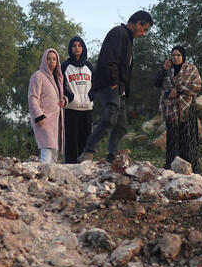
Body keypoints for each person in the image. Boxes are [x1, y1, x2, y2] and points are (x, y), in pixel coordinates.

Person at [77, 10, 153, 163]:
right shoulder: (118, 33)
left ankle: (113, 157)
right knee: (110, 116)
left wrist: (122, 88)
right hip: (108, 84)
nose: (144, 34)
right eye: (145, 30)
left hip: (120, 89)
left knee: (122, 125)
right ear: (138, 23)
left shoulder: (128, 38)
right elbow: (109, 59)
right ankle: (88, 151)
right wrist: (113, 83)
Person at [153, 45, 202, 172]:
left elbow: (196, 86)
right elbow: (157, 83)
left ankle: (190, 167)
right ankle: (172, 166)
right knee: (173, 138)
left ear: (183, 57)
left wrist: (178, 89)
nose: (175, 57)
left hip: (187, 108)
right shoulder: (168, 70)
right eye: (173, 55)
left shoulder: (190, 69)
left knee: (187, 137)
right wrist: (164, 68)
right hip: (171, 109)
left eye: (178, 55)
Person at [28, 48, 66, 163]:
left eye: (54, 59)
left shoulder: (58, 78)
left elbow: (60, 95)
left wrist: (64, 100)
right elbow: (32, 97)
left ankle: (50, 178)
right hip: (43, 119)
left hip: (56, 120)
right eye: (48, 59)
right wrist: (39, 115)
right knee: (46, 149)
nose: (51, 62)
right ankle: (43, 175)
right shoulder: (37, 76)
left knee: (54, 152)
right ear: (44, 60)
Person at [61, 36, 94, 164]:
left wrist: (90, 97)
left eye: (79, 45)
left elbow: (95, 84)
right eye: (74, 45)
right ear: (70, 48)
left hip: (87, 108)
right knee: (71, 139)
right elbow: (60, 85)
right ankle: (70, 165)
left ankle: (84, 165)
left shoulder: (89, 66)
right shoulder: (65, 66)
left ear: (83, 48)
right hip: (71, 108)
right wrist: (70, 97)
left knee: (85, 139)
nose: (77, 48)